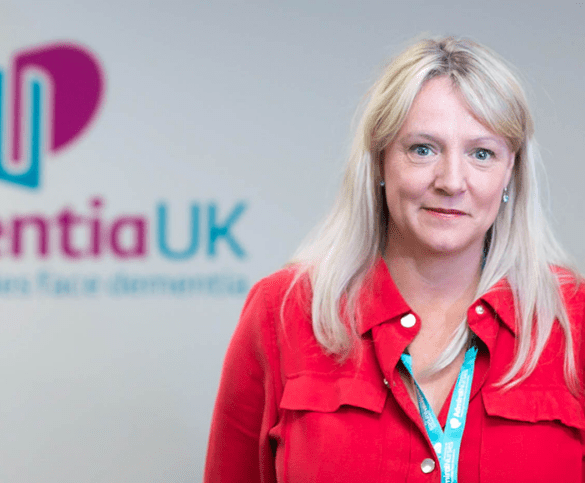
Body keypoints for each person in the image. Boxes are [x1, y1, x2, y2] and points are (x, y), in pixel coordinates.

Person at [204, 36, 585, 482]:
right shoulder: (283, 310)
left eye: (481, 153)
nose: (451, 181)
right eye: (423, 149)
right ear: (381, 162)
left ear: (509, 174)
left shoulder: (573, 319)